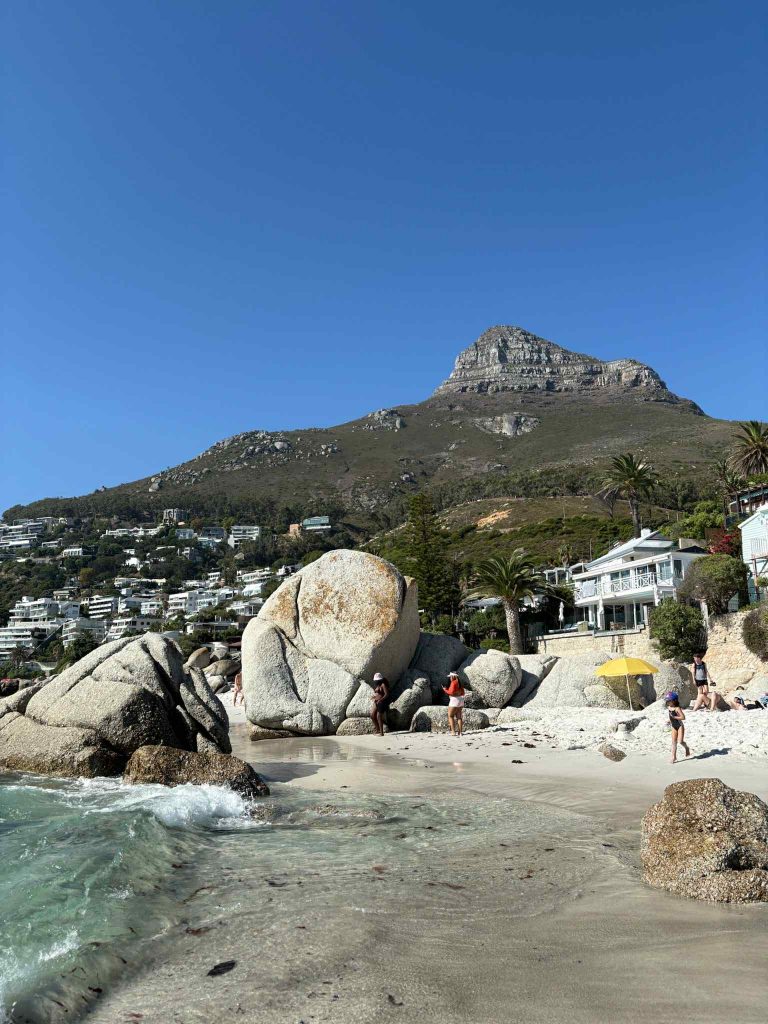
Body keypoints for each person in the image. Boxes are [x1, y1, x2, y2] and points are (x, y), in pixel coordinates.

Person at [665, 692, 690, 763]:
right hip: (673, 726)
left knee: (680, 741)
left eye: (669, 701)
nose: (668, 702)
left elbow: (683, 717)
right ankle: (673, 757)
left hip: (679, 726)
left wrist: (675, 717)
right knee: (673, 742)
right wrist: (669, 720)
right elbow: (670, 716)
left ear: (674, 701)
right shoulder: (669, 707)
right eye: (667, 701)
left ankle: (687, 748)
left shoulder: (677, 708)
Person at [442, 672, 465, 737]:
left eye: (450, 677)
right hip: (461, 700)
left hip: (454, 700)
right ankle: (460, 733)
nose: (450, 678)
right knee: (459, 717)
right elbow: (463, 692)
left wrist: (445, 690)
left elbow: (451, 692)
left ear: (453, 677)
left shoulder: (453, 682)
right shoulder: (459, 682)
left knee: (450, 716)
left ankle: (453, 732)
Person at [370, 672, 391, 736]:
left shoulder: (383, 685)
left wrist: (380, 699)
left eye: (376, 680)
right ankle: (377, 729)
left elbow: (387, 694)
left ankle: (381, 733)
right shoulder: (378, 685)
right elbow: (379, 694)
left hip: (382, 702)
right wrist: (375, 697)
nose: (375, 681)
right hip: (377, 701)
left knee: (378, 716)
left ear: (379, 680)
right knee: (372, 715)